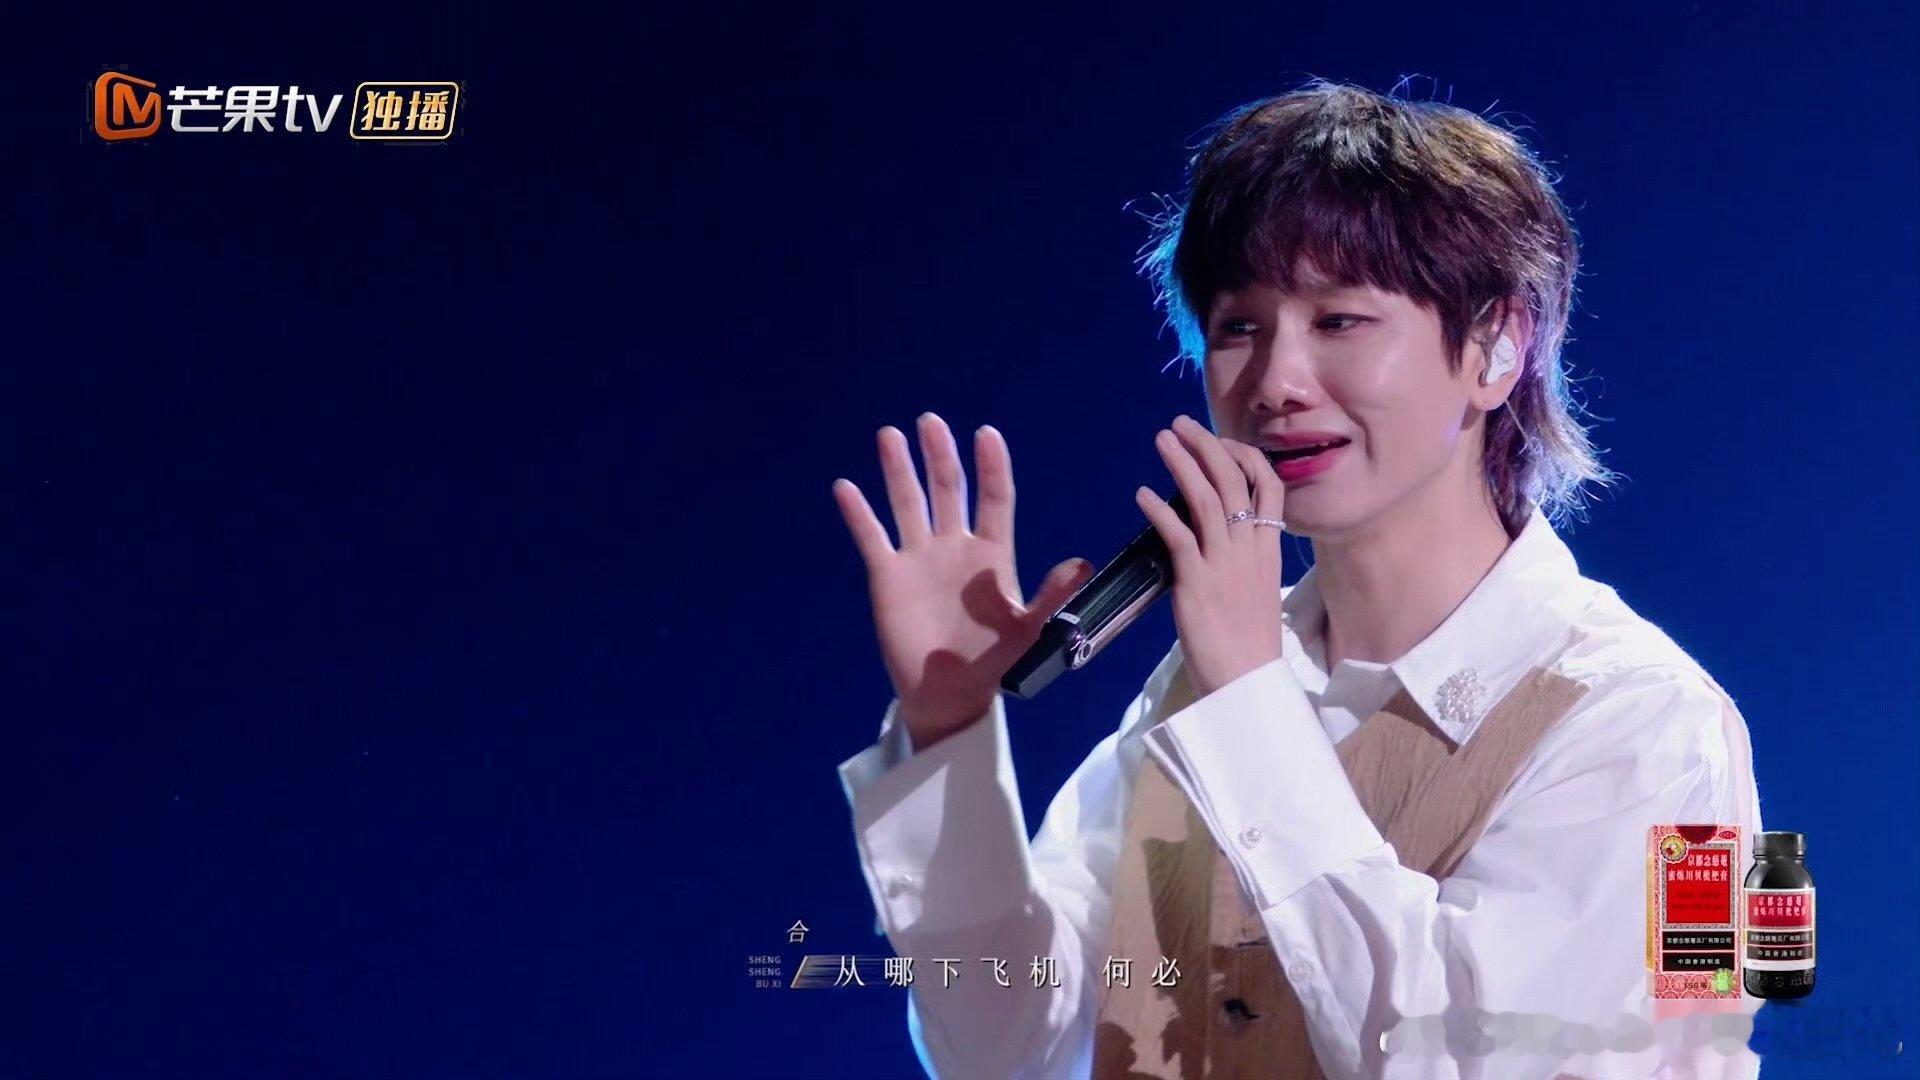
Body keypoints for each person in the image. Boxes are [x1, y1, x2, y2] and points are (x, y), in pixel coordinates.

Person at [828, 79, 1762, 1079]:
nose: (1275, 383)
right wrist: (948, 731)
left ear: (1498, 345)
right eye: (1239, 326)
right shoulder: (1201, 688)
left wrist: (1245, 698)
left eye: (1340, 320)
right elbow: (1007, 1048)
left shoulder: (1648, 724)